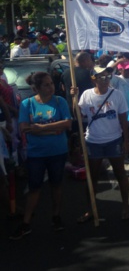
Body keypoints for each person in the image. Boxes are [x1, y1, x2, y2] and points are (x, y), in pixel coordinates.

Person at [11, 72, 72, 240]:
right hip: (36, 153)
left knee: (56, 185)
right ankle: (26, 223)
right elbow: (24, 127)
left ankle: (56, 216)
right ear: (36, 88)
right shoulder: (27, 104)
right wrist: (53, 129)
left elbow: (67, 123)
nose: (51, 87)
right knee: (34, 187)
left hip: (57, 151)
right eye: (46, 85)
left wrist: (40, 128)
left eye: (51, 83)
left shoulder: (60, 101)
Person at [76, 66, 129, 223]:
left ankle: (126, 206)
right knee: (92, 177)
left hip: (114, 139)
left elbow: (123, 119)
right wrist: (74, 100)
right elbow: (79, 116)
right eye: (101, 77)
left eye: (108, 76)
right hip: (93, 141)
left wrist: (126, 140)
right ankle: (91, 209)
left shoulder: (117, 95)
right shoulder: (86, 95)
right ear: (93, 79)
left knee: (120, 173)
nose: (106, 80)